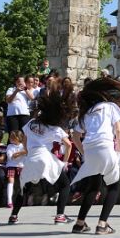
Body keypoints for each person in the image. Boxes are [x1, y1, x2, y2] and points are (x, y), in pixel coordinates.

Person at [71, 78, 120, 235]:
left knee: (93, 186)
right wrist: (119, 153)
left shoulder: (86, 112)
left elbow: (75, 136)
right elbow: (118, 131)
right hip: (105, 146)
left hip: (90, 149)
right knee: (113, 186)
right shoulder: (110, 106)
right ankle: (102, 225)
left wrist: (85, 152)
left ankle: (79, 224)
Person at [8, 91, 73, 225]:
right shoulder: (54, 127)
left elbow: (24, 137)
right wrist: (65, 162)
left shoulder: (31, 123)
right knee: (65, 184)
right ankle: (60, 215)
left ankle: (13, 216)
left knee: (23, 188)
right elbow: (68, 144)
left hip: (31, 158)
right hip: (45, 157)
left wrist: (26, 150)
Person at [5, 130, 26, 208]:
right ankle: (9, 201)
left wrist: (18, 154)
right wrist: (21, 153)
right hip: (11, 165)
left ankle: (23, 200)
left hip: (21, 166)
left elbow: (27, 152)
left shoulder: (23, 145)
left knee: (23, 182)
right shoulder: (9, 146)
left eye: (12, 137)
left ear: (18, 138)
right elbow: (11, 157)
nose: (10, 138)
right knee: (10, 180)